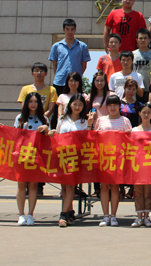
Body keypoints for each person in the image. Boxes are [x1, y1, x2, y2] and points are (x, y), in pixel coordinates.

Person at [48, 94, 94, 227]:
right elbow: (57, 134)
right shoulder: (62, 118)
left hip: (75, 156)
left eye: (80, 104)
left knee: (70, 185)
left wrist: (89, 125)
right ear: (70, 105)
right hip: (62, 154)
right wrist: (52, 133)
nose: (77, 107)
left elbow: (88, 138)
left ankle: (63, 215)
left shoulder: (84, 121)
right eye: (75, 104)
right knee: (64, 187)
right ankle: (70, 212)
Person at [9, 92, 50, 226]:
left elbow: (49, 138)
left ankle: (31, 214)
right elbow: (14, 135)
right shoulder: (20, 118)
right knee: (21, 185)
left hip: (36, 156)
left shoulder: (44, 119)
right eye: (30, 101)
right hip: (22, 155)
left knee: (33, 185)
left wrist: (46, 129)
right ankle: (21, 214)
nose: (33, 104)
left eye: (35, 101)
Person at [94, 94, 132, 227]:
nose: (112, 108)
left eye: (115, 105)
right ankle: (105, 216)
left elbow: (130, 139)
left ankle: (114, 216)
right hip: (104, 158)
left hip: (118, 159)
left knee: (115, 187)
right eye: (110, 105)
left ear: (119, 106)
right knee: (104, 187)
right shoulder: (101, 120)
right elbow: (95, 138)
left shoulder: (125, 121)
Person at [131, 104, 151, 228]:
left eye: (148, 112)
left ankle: (147, 216)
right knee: (138, 191)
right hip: (137, 165)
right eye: (144, 112)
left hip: (150, 165)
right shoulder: (134, 130)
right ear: (139, 114)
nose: (146, 115)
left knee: (148, 192)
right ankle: (139, 217)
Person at [49, 18, 91, 94]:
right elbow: (54, 65)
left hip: (76, 83)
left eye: (72, 29)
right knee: (59, 101)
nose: (70, 32)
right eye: (67, 29)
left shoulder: (82, 46)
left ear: (75, 30)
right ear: (63, 30)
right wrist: (59, 75)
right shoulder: (56, 46)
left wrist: (76, 77)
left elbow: (84, 66)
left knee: (76, 101)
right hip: (60, 82)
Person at [132, 28, 151, 101]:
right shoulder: (132, 54)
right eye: (140, 38)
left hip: (149, 88)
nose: (143, 40)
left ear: (149, 39)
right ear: (137, 40)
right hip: (135, 89)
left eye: (145, 38)